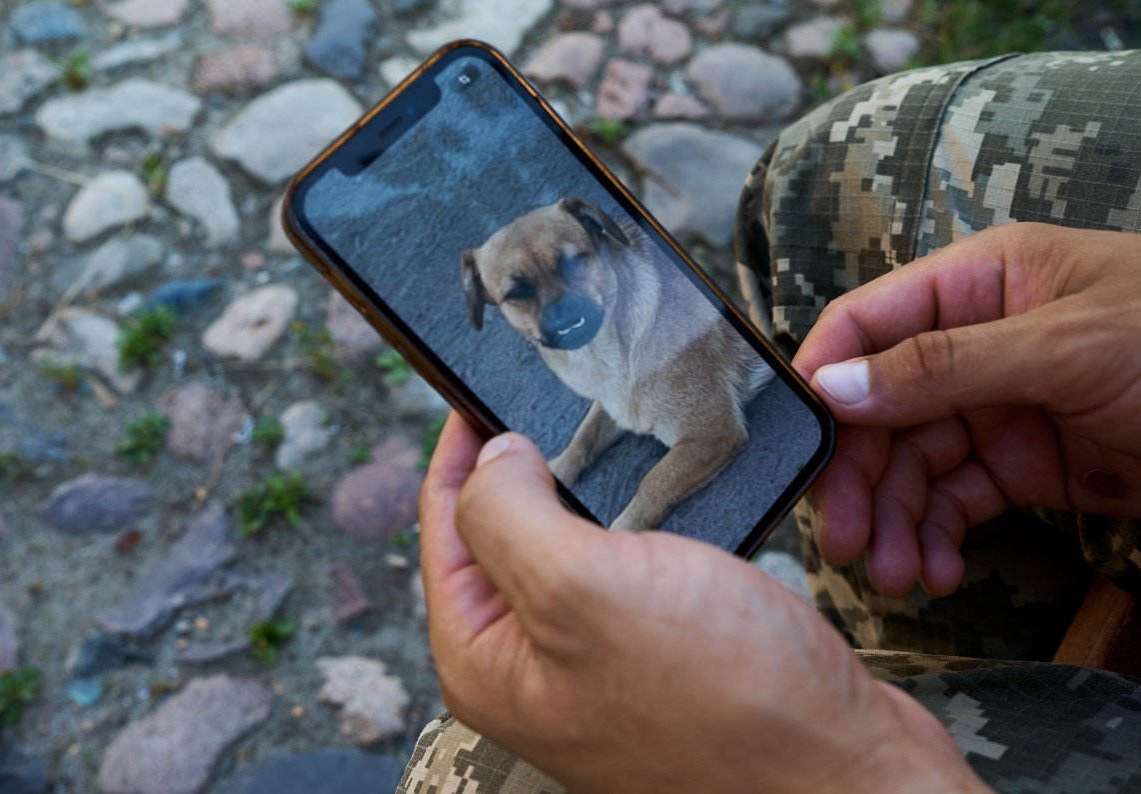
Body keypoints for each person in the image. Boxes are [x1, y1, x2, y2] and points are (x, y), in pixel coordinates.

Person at [398, 51, 1141, 793]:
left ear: (599, 240)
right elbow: (615, 400)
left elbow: (716, 437)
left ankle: (891, 655)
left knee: (461, 758)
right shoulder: (580, 336)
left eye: (572, 265)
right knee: (803, 172)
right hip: (1019, 458)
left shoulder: (657, 332)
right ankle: (918, 645)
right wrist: (569, 460)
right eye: (523, 294)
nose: (560, 302)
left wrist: (630, 521)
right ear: (487, 303)